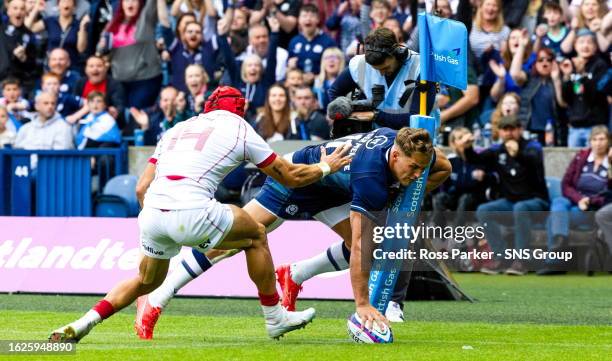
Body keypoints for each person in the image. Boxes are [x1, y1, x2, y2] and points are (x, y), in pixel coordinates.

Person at [48, 86, 352, 343]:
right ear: (239, 110)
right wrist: (327, 167)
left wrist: (162, 224)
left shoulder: (176, 129)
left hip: (153, 213)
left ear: (207, 107)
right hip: (190, 208)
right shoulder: (239, 127)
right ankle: (275, 318)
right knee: (256, 235)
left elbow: (141, 187)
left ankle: (84, 322)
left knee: (145, 280)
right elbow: (288, 176)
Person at [133, 126, 451, 337]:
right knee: (232, 239)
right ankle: (159, 296)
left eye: (421, 169)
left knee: (371, 244)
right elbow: (359, 250)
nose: (417, 174)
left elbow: (444, 169)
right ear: (395, 156)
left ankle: (294, 275)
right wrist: (363, 305)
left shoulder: (413, 147)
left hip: (332, 188)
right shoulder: (371, 176)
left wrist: (412, 188)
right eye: (412, 169)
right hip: (298, 176)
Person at [455, 115, 549, 276]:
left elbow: (535, 165)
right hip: (510, 203)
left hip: (536, 202)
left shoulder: (533, 147)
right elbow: (475, 159)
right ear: (499, 132)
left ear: (520, 130)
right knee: (484, 210)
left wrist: (518, 154)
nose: (509, 133)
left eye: (513, 129)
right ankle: (501, 258)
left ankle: (522, 261)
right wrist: (468, 147)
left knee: (521, 207)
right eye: (505, 129)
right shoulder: (497, 150)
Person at [328, 28, 436, 130]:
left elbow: (416, 119)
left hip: (414, 139)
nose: (381, 73)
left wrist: (375, 116)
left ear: (398, 53)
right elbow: (334, 92)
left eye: (386, 67)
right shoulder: (359, 64)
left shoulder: (423, 68)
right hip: (376, 137)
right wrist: (346, 112)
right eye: (376, 69)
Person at [540, 126, 611, 275]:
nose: (598, 143)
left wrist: (589, 201)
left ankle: (556, 261)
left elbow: (609, 193)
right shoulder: (582, 157)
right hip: (573, 202)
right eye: (594, 139)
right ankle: (559, 242)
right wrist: (579, 199)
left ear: (609, 141)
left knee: (553, 219)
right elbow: (565, 184)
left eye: (602, 139)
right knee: (559, 202)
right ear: (590, 141)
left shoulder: (610, 160)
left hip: (593, 208)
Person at [100, 0, 169, 110]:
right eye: (126, 0)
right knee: (122, 119)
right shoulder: (113, 23)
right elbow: (100, 49)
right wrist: (103, 47)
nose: (130, 3)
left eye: (134, 0)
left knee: (136, 116)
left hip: (145, 78)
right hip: (119, 80)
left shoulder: (146, 18)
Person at [559, 29, 609, 147]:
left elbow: (594, 95)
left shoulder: (600, 65)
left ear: (595, 46)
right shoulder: (570, 64)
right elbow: (566, 99)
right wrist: (566, 77)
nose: (585, 46)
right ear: (575, 45)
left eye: (589, 42)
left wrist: (583, 74)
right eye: (581, 42)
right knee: (575, 163)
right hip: (575, 125)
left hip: (595, 126)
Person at [517, 47, 566, 145]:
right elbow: (514, 74)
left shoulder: (559, 80)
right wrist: (522, 45)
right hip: (531, 129)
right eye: (540, 60)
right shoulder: (528, 79)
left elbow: (563, 103)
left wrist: (556, 79)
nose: (545, 63)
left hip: (553, 131)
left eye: (549, 60)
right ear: (535, 63)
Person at [24, 0, 89, 68]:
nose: (66, 4)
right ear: (58, 6)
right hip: (52, 66)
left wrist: (82, 28)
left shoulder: (78, 24)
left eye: (69, 1)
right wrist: (36, 9)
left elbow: (81, 49)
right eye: (63, 1)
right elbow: (27, 28)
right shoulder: (50, 20)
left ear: (74, 7)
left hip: (71, 66)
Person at [287, 4, 337, 85]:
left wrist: (316, 77)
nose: (308, 19)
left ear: (318, 19)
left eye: (312, 16)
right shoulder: (294, 41)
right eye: (304, 16)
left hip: (321, 85)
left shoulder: (328, 42)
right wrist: (290, 67)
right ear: (299, 19)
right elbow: (288, 68)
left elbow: (335, 69)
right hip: (298, 85)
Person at [73, 55, 126, 128]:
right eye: (91, 66)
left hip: (106, 122)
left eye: (99, 66)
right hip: (82, 121)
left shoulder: (114, 84)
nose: (95, 69)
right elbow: (73, 103)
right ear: (86, 70)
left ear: (105, 69)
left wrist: (115, 111)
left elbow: (119, 105)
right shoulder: (80, 83)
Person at [0, 0, 38, 94]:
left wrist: (24, 58)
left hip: (18, 84)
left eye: (22, 9)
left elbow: (32, 66)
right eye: (15, 8)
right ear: (8, 11)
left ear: (26, 12)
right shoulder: (1, 28)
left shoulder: (30, 35)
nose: (18, 12)